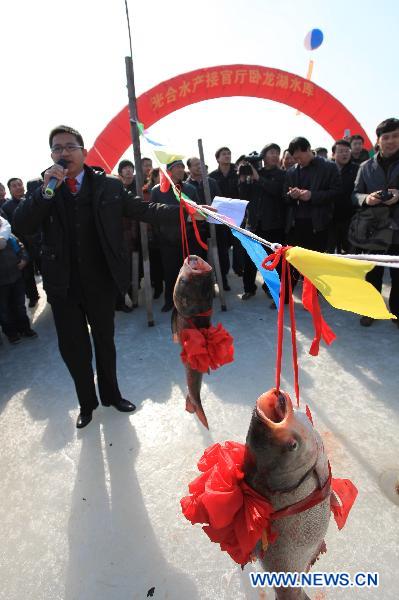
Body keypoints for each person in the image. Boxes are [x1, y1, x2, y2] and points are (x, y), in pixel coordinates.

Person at [14, 125, 208, 428]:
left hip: (100, 280)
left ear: (84, 152)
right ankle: (86, 404)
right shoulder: (45, 189)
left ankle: (112, 395)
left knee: (105, 342)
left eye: (69, 147)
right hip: (62, 285)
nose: (63, 153)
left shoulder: (108, 186)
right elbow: (22, 223)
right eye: (57, 148)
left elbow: (145, 210)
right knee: (74, 348)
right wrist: (44, 191)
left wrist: (185, 211)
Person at [352, 118, 399, 327]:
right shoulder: (365, 167)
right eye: (386, 137)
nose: (391, 141)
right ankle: (370, 310)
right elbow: (354, 195)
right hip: (373, 230)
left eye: (396, 136)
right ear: (378, 140)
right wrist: (366, 199)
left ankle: (397, 312)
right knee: (372, 274)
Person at [284, 137, 341, 287]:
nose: (297, 161)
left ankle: (312, 297)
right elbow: (285, 196)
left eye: (299, 157)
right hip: (296, 224)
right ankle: (286, 295)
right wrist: (292, 195)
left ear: (308, 149)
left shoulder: (329, 167)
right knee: (292, 262)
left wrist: (312, 195)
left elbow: (336, 192)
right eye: (294, 158)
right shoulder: (291, 172)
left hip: (318, 224)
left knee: (315, 264)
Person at [150, 158, 202, 312]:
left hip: (189, 238)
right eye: (177, 167)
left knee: (191, 273)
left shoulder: (190, 189)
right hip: (167, 240)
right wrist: (159, 236)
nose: (181, 169)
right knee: (170, 273)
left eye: (182, 167)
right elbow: (153, 216)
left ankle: (192, 301)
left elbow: (198, 213)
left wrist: (193, 231)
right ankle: (170, 301)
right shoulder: (157, 191)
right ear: (169, 170)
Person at [238, 144, 285, 301]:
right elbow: (244, 194)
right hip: (253, 223)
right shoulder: (255, 173)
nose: (274, 155)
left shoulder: (282, 174)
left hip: (273, 225)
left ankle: (272, 290)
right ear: (263, 156)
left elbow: (277, 190)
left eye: (277, 153)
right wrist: (243, 179)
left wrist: (258, 178)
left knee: (273, 262)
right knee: (250, 259)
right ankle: (249, 288)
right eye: (271, 152)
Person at [2, 178, 41, 307]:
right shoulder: (6, 207)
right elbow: (9, 231)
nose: (18, 187)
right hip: (23, 245)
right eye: (14, 186)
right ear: (10, 190)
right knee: (27, 274)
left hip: (39, 243)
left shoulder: (33, 200)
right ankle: (33, 297)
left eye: (20, 184)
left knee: (45, 268)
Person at [209, 147, 242, 287]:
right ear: (217, 158)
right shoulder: (212, 176)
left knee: (239, 245)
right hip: (220, 217)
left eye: (229, 154)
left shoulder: (238, 173)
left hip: (237, 216)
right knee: (222, 249)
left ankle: (238, 268)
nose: (227, 156)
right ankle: (222, 278)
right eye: (224, 154)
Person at [0, 229, 38, 344]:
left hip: (16, 277)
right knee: (4, 310)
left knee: (20, 306)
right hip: (1, 283)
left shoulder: (8, 236)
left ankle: (25, 329)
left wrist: (24, 260)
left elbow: (21, 248)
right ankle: (11, 333)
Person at [328, 139, 359, 254]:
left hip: (350, 218)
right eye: (341, 151)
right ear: (333, 154)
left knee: (350, 252)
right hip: (330, 219)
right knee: (330, 252)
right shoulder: (327, 170)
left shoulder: (357, 169)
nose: (345, 154)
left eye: (347, 151)